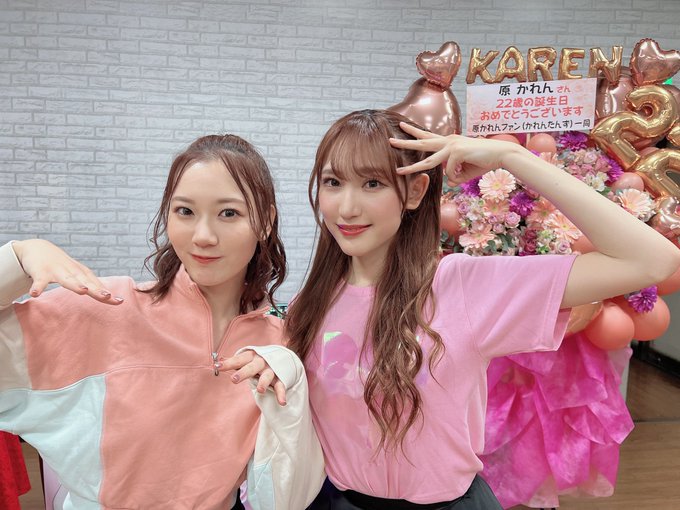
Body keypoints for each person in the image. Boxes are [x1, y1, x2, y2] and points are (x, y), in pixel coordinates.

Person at [276, 109, 679, 510]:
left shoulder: (461, 287)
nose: (346, 208)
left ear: (415, 192)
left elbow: (652, 261)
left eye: (372, 183)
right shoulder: (308, 306)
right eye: (333, 182)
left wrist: (511, 158)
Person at [0, 134, 323, 510]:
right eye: (185, 211)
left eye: (228, 213)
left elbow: (288, 497)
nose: (203, 236)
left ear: (265, 221)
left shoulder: (281, 341)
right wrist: (20, 258)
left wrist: (290, 372)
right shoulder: (107, 308)